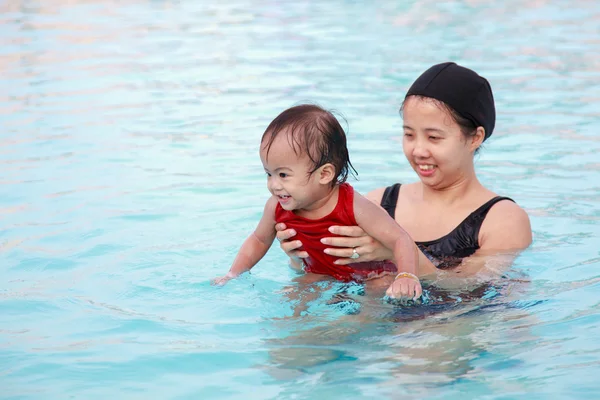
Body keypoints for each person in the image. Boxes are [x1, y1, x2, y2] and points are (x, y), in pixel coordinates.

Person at [276, 62, 532, 287]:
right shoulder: (376, 204)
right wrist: (301, 257)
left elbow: (465, 288)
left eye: (434, 137)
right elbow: (334, 275)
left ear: (475, 137)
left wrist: (396, 253)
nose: (418, 150)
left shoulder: (502, 220)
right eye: (409, 134)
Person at [212, 104, 423, 299]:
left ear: (324, 174)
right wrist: (233, 274)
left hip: (371, 276)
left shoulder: (354, 205)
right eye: (268, 174)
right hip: (321, 274)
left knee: (376, 296)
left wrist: (407, 276)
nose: (274, 185)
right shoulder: (275, 206)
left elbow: (400, 239)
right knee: (291, 301)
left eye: (283, 175)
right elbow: (258, 240)